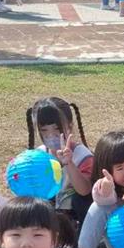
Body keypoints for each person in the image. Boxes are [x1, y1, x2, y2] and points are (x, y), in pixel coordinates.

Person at [26, 97, 94, 229]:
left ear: (70, 127)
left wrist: (69, 163)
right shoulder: (39, 155)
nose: (51, 135)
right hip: (46, 218)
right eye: (44, 130)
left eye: (57, 129)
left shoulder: (82, 156)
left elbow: (85, 190)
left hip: (75, 218)